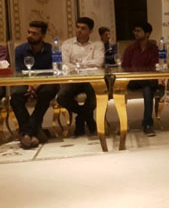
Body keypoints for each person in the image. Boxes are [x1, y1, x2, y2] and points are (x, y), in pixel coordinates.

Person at [11, 21, 60, 149]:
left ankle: (26, 132)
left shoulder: (52, 50)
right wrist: (30, 84)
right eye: (29, 32)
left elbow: (55, 71)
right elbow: (19, 72)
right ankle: (35, 132)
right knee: (16, 96)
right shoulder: (20, 50)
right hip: (25, 81)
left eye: (34, 33)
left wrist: (38, 84)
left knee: (47, 92)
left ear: (43, 35)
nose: (30, 35)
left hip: (46, 82)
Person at [57, 17, 104, 137]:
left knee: (95, 97)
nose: (79, 30)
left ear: (90, 31)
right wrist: (86, 64)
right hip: (73, 79)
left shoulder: (97, 45)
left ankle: (80, 119)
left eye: (83, 28)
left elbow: (98, 62)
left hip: (91, 79)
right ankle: (87, 117)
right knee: (61, 97)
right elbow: (65, 64)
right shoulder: (67, 44)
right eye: (77, 27)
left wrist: (77, 64)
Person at [122, 22, 160, 136]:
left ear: (147, 34)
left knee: (147, 88)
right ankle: (147, 124)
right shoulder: (130, 49)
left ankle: (147, 124)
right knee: (149, 85)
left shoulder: (154, 48)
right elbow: (125, 67)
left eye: (138, 31)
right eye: (135, 31)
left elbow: (155, 65)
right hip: (133, 80)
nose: (136, 33)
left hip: (148, 79)